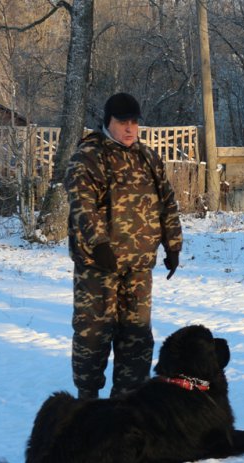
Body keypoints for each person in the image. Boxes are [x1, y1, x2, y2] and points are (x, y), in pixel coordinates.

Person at [64, 92, 183, 399]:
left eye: (134, 122)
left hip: (139, 268)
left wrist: (173, 245)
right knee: (93, 337)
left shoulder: (147, 157)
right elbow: (83, 206)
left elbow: (167, 201)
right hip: (98, 268)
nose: (130, 129)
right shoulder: (89, 156)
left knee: (137, 339)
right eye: (122, 122)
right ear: (108, 121)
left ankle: (127, 407)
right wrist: (99, 244)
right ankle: (87, 404)